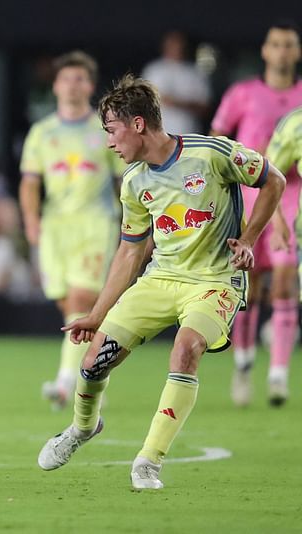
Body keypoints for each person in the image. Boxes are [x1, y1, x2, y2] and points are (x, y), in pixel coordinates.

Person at [37, 74, 287, 490]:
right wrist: (97, 314)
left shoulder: (212, 154)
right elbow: (131, 251)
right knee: (93, 362)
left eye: (112, 131)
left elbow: (273, 179)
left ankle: (149, 460)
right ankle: (82, 428)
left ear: (138, 125)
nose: (109, 143)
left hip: (216, 280)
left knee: (186, 347)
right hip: (162, 279)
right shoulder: (135, 182)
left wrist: (248, 240)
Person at [19, 51, 124, 409]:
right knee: (69, 306)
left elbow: (123, 179)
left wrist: (134, 220)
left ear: (90, 86)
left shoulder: (105, 129)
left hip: (96, 224)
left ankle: (66, 383)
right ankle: (96, 371)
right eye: (66, 79)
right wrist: (31, 220)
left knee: (81, 301)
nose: (73, 85)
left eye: (80, 79)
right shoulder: (41, 132)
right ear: (55, 85)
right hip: (55, 228)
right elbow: (30, 183)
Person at [210, 21, 302, 407]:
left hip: (291, 198)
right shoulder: (243, 94)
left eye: (289, 45)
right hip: (248, 199)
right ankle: (245, 362)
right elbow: (216, 139)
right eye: (276, 45)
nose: (282, 51)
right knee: (248, 289)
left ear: (296, 52)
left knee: (283, 284)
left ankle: (278, 374)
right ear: (265, 51)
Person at [264, 105, 302, 404]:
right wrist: (276, 221)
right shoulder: (294, 124)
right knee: (280, 285)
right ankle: (274, 371)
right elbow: (271, 172)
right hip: (294, 224)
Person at [142, 30, 211, 134]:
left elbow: (205, 107)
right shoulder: (153, 70)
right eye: (172, 44)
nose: (176, 48)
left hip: (188, 136)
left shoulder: (195, 72)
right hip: (158, 136)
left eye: (179, 44)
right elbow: (141, 102)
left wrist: (178, 103)